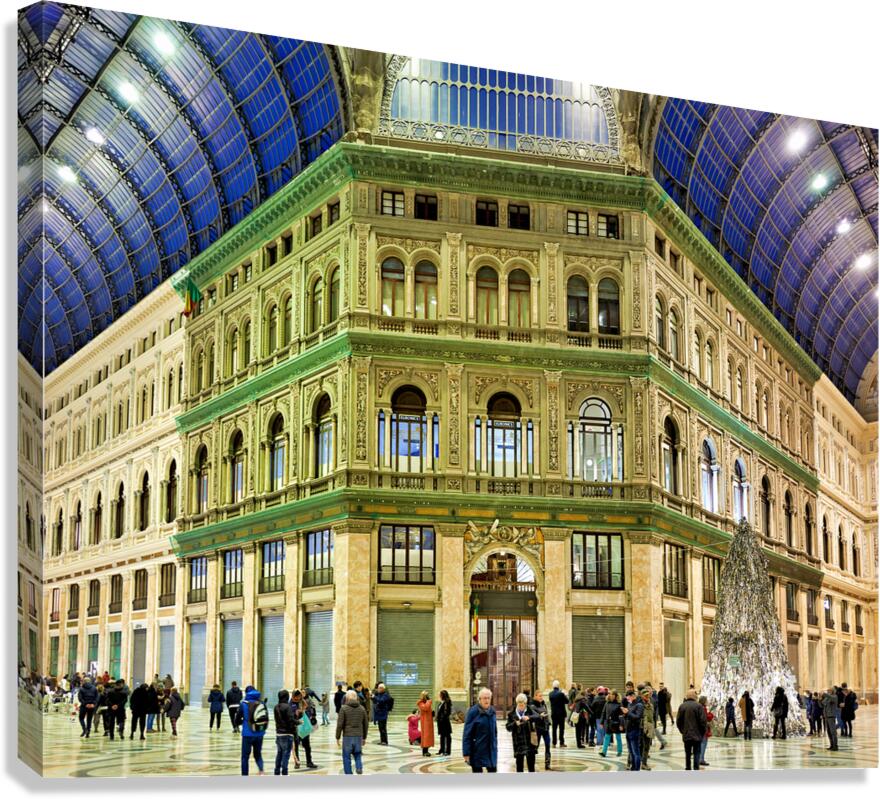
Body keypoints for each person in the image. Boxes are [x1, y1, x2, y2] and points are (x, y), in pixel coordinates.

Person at [463, 688, 498, 773]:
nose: (487, 700)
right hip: (477, 751)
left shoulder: (492, 711)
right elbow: (467, 734)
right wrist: (466, 753)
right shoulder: (473, 712)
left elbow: (495, 732)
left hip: (490, 750)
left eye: (488, 698)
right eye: (484, 698)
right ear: (480, 699)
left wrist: (495, 746)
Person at [236, 685, 267, 775]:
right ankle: (261, 770)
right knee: (258, 754)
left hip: (247, 734)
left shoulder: (244, 704)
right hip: (259, 733)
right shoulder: (262, 703)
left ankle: (245, 775)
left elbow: (237, 719)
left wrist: (241, 722)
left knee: (245, 757)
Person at [336, 688, 368, 775]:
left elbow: (340, 724)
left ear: (347, 698)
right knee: (357, 754)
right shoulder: (362, 709)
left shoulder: (343, 708)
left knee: (346, 756)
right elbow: (365, 724)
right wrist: (364, 737)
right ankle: (359, 767)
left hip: (347, 736)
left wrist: (337, 737)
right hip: (358, 736)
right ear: (356, 698)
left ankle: (349, 774)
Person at [676, 689, 707, 770]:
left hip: (686, 735)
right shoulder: (699, 706)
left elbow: (678, 721)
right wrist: (702, 733)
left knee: (687, 753)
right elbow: (703, 721)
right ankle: (696, 769)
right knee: (697, 753)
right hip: (697, 735)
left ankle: (688, 768)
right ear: (694, 696)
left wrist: (683, 731)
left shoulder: (682, 706)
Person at [506, 693, 537, 772]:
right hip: (518, 743)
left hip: (530, 742)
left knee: (531, 766)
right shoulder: (511, 714)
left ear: (525, 703)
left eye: (523, 705)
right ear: (517, 703)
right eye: (519, 705)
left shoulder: (529, 710)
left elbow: (537, 717)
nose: (521, 707)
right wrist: (515, 724)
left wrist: (529, 717)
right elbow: (508, 727)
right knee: (519, 766)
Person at [291, 689, 319, 769]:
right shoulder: (291, 703)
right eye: (297, 696)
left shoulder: (301, 701)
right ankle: (297, 762)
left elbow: (306, 706)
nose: (298, 698)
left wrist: (301, 709)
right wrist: (296, 712)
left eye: (299, 696)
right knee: (296, 746)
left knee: (307, 746)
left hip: (303, 726)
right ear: (293, 696)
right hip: (296, 727)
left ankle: (309, 762)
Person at [273, 690, 297, 775]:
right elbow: (291, 720)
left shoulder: (276, 707)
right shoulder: (287, 707)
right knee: (286, 755)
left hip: (279, 734)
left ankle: (276, 771)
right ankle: (284, 772)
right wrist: (298, 722)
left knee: (279, 754)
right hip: (287, 734)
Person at [621, 689, 644, 771]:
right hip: (628, 730)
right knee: (630, 751)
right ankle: (633, 767)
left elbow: (637, 717)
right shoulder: (630, 704)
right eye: (627, 699)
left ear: (633, 696)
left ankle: (636, 769)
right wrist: (624, 714)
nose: (628, 700)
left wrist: (627, 712)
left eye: (628, 698)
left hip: (635, 730)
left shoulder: (639, 705)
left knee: (635, 752)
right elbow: (628, 716)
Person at [529, 688, 551, 770]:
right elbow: (533, 717)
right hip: (537, 729)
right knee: (535, 747)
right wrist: (540, 716)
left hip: (545, 729)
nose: (541, 697)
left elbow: (546, 714)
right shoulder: (532, 706)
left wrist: (548, 722)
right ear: (535, 696)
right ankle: (532, 763)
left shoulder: (543, 704)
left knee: (548, 745)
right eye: (539, 696)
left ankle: (547, 763)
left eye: (542, 696)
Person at [599, 690, 623, 757]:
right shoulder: (607, 703)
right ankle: (604, 752)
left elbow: (621, 715)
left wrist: (621, 724)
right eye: (610, 694)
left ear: (615, 696)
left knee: (618, 738)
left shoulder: (619, 704)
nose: (611, 696)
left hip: (616, 723)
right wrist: (601, 722)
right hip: (608, 723)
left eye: (612, 694)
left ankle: (619, 751)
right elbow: (603, 713)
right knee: (607, 737)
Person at [548, 680, 568, 747]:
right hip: (561, 714)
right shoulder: (561, 694)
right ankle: (561, 742)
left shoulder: (550, 694)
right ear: (558, 686)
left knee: (554, 729)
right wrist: (564, 694)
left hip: (554, 713)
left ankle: (554, 743)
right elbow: (567, 701)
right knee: (561, 728)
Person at [639, 687, 655, 770]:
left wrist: (653, 727)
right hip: (640, 728)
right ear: (641, 696)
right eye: (645, 695)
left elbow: (652, 717)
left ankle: (644, 763)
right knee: (639, 746)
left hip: (649, 729)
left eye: (648, 695)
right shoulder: (639, 705)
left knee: (647, 747)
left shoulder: (651, 705)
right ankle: (630, 762)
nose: (647, 697)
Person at [436, 690, 453, 756]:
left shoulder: (447, 702)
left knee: (447, 736)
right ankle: (441, 750)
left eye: (440, 694)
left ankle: (447, 751)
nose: (439, 696)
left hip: (445, 722)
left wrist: (442, 718)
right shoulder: (441, 702)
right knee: (442, 736)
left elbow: (447, 712)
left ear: (443, 695)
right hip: (441, 722)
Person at [417, 690, 435, 756]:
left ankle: (426, 750)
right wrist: (429, 701)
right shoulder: (420, 703)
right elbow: (426, 708)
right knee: (426, 735)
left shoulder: (426, 702)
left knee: (428, 736)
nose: (428, 696)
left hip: (429, 721)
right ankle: (425, 751)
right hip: (425, 721)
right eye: (427, 695)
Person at [698, 695, 713, 766]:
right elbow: (705, 717)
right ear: (704, 701)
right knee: (703, 743)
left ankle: (700, 758)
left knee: (701, 743)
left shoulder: (698, 707)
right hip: (703, 728)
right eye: (706, 700)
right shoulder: (703, 708)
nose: (707, 701)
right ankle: (701, 759)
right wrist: (711, 714)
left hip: (699, 728)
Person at [591, 687, 607, 751]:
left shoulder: (596, 698)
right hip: (605, 716)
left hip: (598, 716)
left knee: (599, 730)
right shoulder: (606, 698)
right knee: (605, 729)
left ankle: (599, 742)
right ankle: (605, 742)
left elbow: (592, 707)